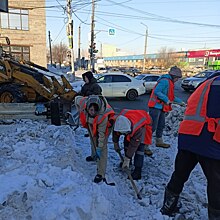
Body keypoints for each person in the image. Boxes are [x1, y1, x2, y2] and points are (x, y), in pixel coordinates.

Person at [160, 76, 220, 219]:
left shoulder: (208, 82)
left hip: (188, 134)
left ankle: (168, 207)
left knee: (180, 174)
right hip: (210, 140)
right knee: (217, 184)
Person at [145, 66, 185, 156]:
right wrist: (166, 99)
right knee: (152, 127)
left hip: (161, 107)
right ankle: (145, 146)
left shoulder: (170, 82)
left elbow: (172, 97)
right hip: (155, 106)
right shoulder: (164, 81)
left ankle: (159, 141)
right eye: (178, 78)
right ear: (174, 76)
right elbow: (157, 91)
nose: (177, 80)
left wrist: (181, 102)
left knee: (161, 124)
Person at [75, 95, 115, 183]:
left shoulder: (102, 116)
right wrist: (79, 109)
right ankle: (94, 156)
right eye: (91, 110)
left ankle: (101, 173)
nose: (93, 112)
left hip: (105, 126)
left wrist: (99, 148)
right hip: (91, 122)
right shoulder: (83, 103)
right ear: (87, 107)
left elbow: (101, 135)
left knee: (102, 146)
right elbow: (76, 99)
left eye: (95, 111)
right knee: (93, 138)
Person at [113, 109, 152, 180]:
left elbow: (133, 145)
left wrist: (127, 158)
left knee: (139, 149)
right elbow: (116, 133)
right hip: (133, 120)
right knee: (127, 142)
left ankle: (138, 171)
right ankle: (128, 162)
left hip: (144, 125)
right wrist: (115, 143)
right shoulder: (119, 121)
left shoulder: (138, 128)